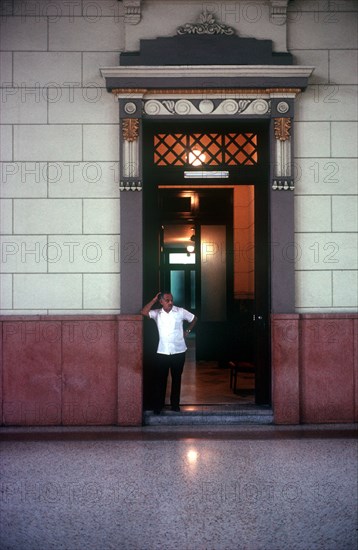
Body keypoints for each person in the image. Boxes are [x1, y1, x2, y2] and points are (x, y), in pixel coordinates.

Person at [141, 291, 197, 414]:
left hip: (179, 350)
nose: (170, 302)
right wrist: (153, 300)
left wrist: (187, 331)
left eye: (171, 300)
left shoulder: (180, 311)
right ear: (161, 302)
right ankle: (158, 406)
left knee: (177, 379)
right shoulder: (157, 313)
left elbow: (194, 319)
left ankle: (175, 405)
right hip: (163, 351)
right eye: (167, 300)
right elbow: (144, 312)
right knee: (161, 380)